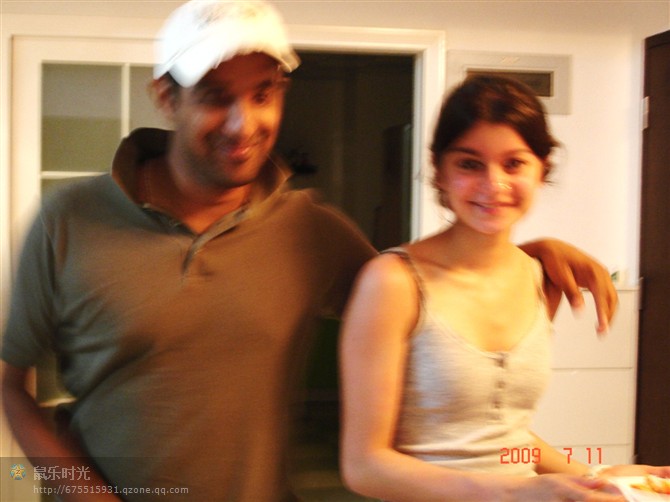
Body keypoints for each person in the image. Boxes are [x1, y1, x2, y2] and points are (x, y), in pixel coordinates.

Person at [0, 1, 617, 501]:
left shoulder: (310, 229)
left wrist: (522, 253)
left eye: (263, 93)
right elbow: (10, 384)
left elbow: (425, 294)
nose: (243, 122)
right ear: (166, 96)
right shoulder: (70, 218)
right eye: (215, 96)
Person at [339, 75, 670, 502]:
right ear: (440, 171)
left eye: (513, 164)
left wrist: (597, 476)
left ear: (542, 169)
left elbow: (505, 437)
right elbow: (365, 466)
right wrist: (515, 492)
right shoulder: (393, 282)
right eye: (470, 164)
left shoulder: (539, 277)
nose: (493, 185)